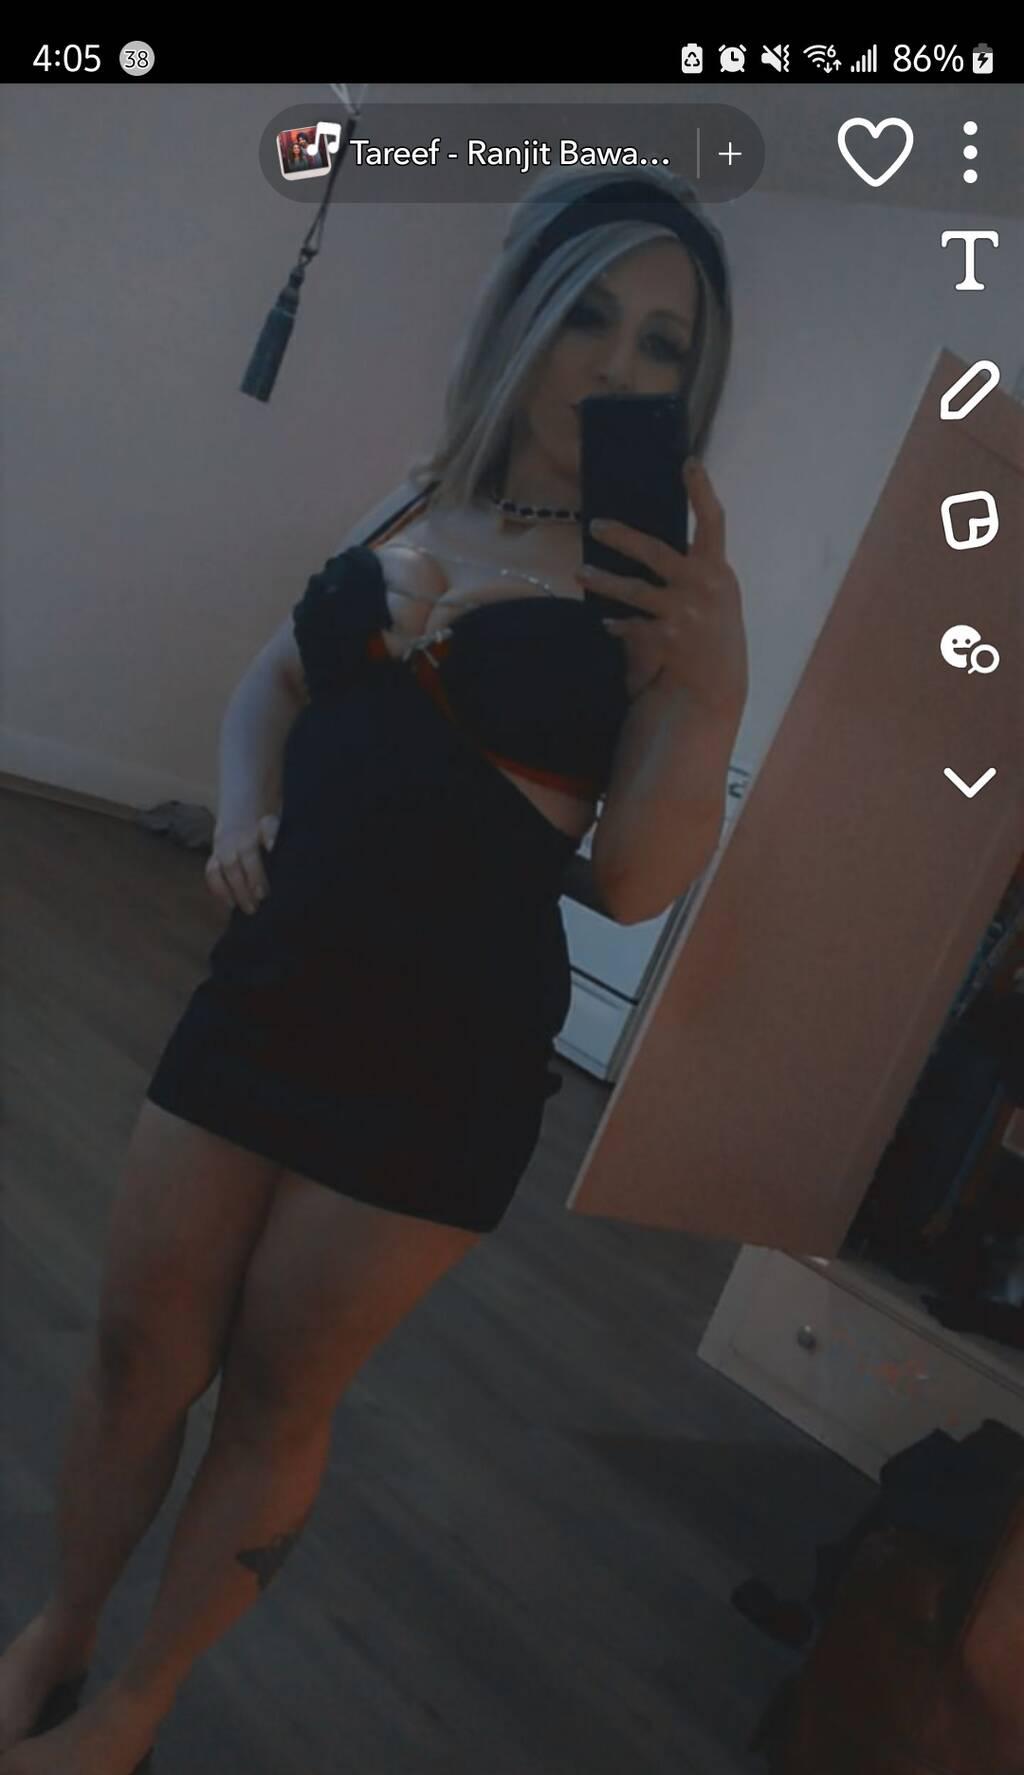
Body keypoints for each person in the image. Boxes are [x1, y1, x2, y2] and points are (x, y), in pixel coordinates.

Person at [0, 165, 748, 1773]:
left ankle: (132, 1711)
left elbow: (633, 881)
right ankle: (63, 1625)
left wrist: (712, 686)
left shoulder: (668, 595)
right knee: (137, 1351)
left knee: (276, 1392)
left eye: (663, 346)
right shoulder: (415, 500)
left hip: (443, 1053)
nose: (617, 367)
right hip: (271, 983)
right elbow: (269, 685)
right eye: (590, 316)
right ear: (524, 317)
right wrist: (242, 813)